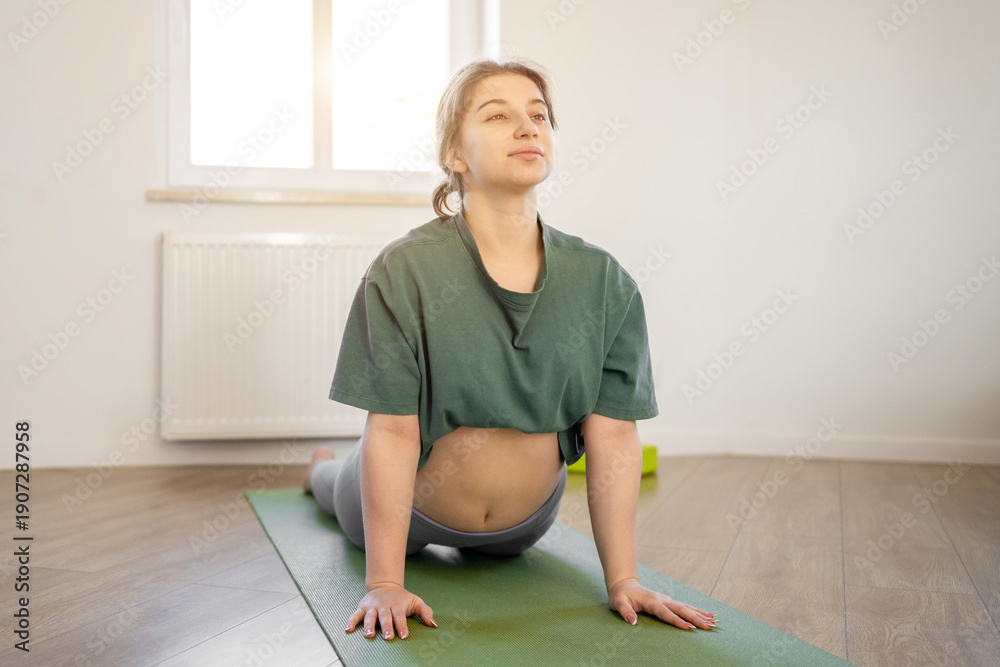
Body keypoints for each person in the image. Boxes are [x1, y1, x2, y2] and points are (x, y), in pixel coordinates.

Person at [303, 56, 717, 642]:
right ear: (454, 154)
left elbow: (614, 435)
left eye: (539, 115)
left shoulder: (605, 281)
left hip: (522, 527)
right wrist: (384, 583)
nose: (527, 127)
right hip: (409, 509)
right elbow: (393, 433)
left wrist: (624, 578)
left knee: (501, 547)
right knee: (337, 487)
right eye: (498, 116)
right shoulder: (403, 270)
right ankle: (320, 468)